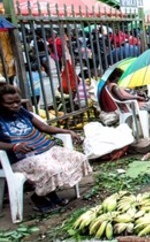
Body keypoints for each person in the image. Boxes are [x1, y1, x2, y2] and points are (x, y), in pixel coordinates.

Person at [0, 84, 92, 213]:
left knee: (77, 157)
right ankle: (38, 198)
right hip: (16, 159)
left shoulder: (21, 111)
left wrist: (66, 131)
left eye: (17, 101)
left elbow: (44, 127)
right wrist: (14, 146)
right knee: (50, 169)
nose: (15, 105)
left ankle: (50, 194)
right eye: (9, 103)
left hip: (41, 150)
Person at [100, 68, 150, 132]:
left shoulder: (112, 86)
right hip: (136, 106)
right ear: (117, 77)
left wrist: (137, 94)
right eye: (121, 76)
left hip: (134, 105)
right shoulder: (114, 86)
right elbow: (122, 97)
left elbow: (124, 95)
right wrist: (137, 97)